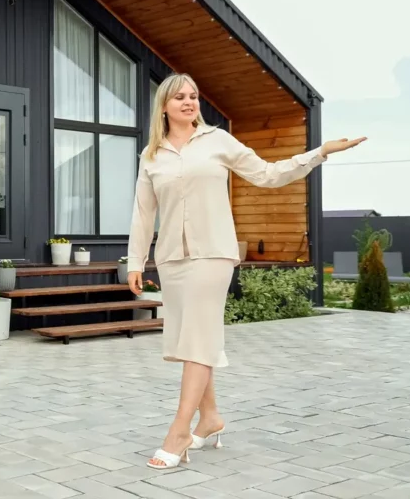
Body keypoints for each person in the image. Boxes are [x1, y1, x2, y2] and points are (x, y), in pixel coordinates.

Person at [126, 73, 365, 470]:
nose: (189, 102)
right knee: (189, 340)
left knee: (199, 339)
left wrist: (320, 151)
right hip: (171, 258)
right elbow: (143, 213)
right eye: (180, 97)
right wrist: (135, 260)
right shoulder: (152, 155)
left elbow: (269, 175)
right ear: (164, 106)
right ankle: (212, 418)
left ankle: (179, 432)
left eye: (194, 96)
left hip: (213, 254)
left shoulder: (218, 141)